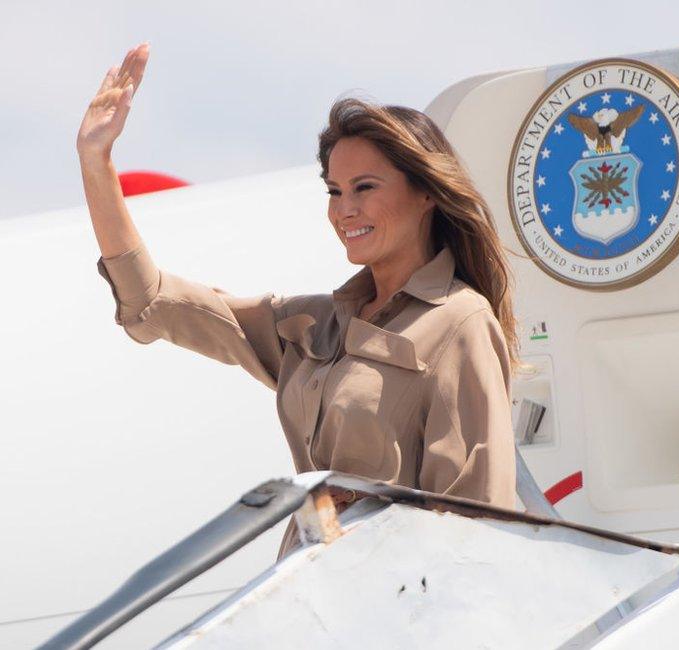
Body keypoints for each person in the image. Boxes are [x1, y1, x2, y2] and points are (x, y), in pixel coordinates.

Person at [77, 43, 519, 558]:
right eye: (334, 191)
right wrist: (96, 161)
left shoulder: (461, 322)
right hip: (309, 597)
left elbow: (475, 518)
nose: (344, 210)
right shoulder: (314, 324)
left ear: (426, 194)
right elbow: (153, 301)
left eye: (364, 187)